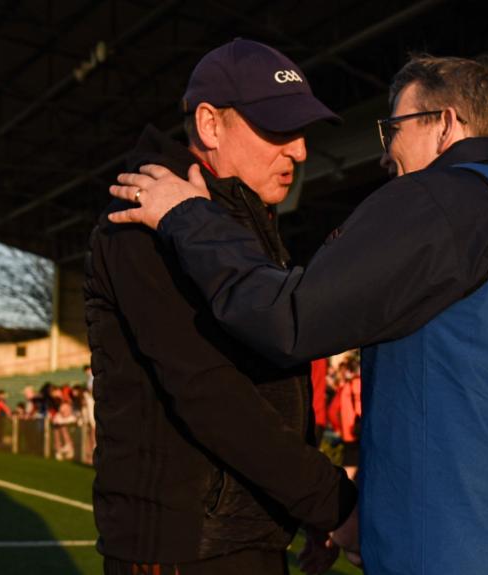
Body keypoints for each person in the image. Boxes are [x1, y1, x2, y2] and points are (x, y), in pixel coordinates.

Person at [109, 54, 488, 573]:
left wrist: (188, 217)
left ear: (445, 125)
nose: (385, 155)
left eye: (394, 128)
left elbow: (289, 318)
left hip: (461, 551)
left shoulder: (442, 198)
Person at [85, 39, 357, 574]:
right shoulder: (142, 221)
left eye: (302, 131)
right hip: (186, 545)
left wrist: (306, 511)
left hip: (242, 533)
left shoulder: (238, 220)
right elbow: (210, 392)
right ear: (210, 125)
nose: (301, 151)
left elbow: (272, 383)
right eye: (279, 129)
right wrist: (333, 504)